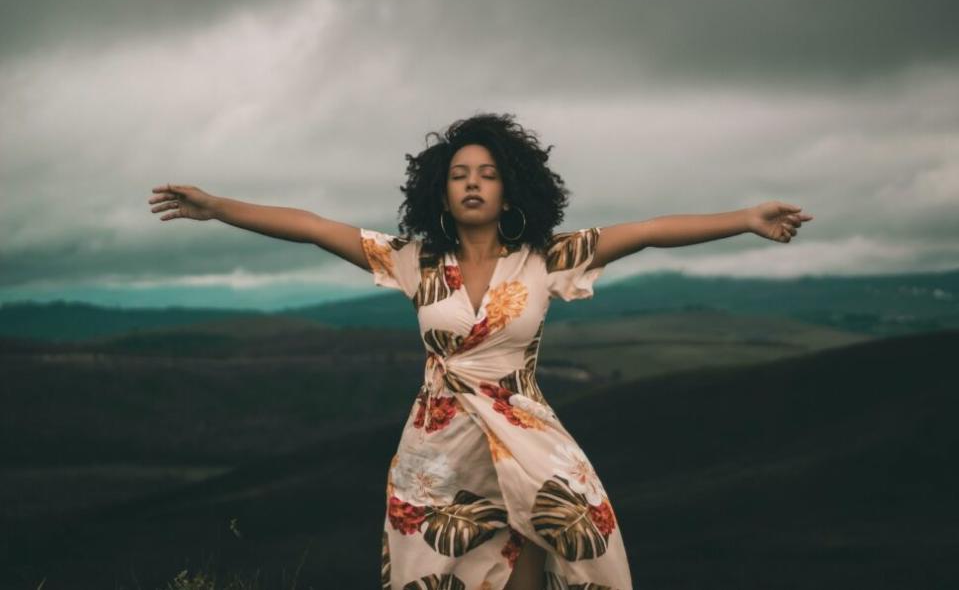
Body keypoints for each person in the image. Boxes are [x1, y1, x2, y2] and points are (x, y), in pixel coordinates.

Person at [148, 112, 813, 589]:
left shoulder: (548, 258)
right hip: (435, 448)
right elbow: (315, 228)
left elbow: (648, 231)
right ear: (439, 187)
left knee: (562, 535)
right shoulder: (413, 260)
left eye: (488, 174)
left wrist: (745, 218)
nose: (472, 183)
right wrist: (218, 206)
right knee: (441, 570)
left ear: (509, 188)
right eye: (460, 173)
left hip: (525, 434)